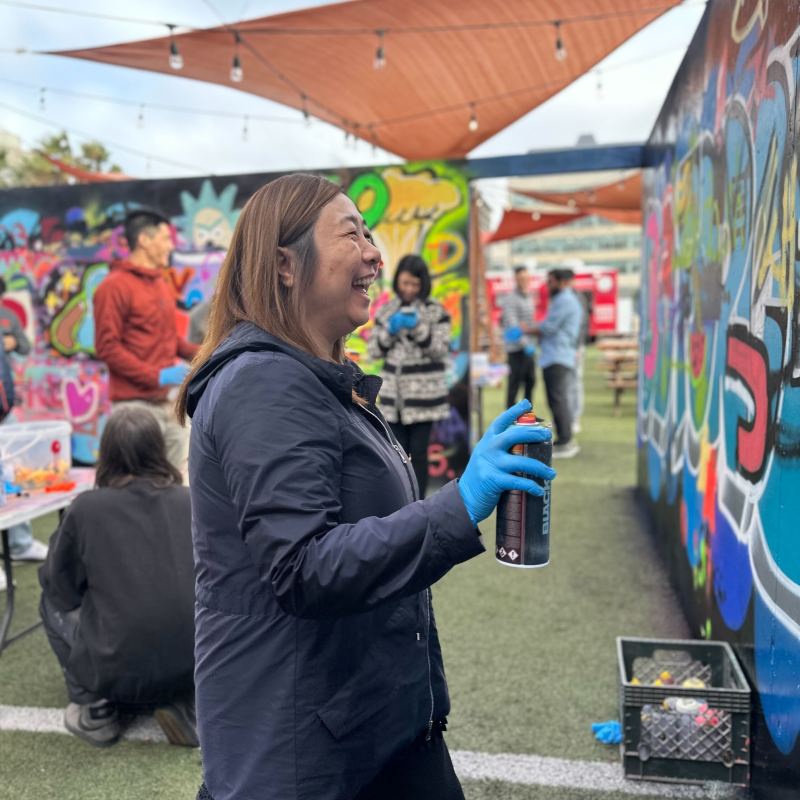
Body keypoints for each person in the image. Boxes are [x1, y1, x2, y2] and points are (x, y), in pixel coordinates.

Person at [175, 173, 555, 800]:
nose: (375, 253)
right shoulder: (263, 385)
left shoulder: (319, 377)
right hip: (302, 752)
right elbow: (304, 566)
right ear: (284, 266)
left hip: (369, 723)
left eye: (370, 233)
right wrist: (460, 503)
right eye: (352, 235)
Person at [38, 405, 196, 748]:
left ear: (105, 452)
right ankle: (181, 698)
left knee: (48, 599)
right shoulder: (188, 501)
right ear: (157, 448)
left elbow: (59, 587)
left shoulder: (86, 508)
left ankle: (96, 708)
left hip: (117, 663)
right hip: (195, 661)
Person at [94, 209, 199, 476]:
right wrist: (157, 376)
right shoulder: (113, 286)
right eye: (165, 238)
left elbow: (170, 338)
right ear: (144, 239)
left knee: (180, 484)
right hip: (134, 408)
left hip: (167, 405)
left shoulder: (160, 284)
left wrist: (209, 353)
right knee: (141, 486)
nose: (171, 245)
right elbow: (107, 347)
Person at [368, 254, 450, 497]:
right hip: (394, 400)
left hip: (425, 400)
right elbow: (374, 350)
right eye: (404, 283)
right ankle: (402, 503)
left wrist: (418, 328)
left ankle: (419, 504)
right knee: (397, 455)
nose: (409, 289)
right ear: (397, 282)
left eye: (414, 284)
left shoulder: (436, 312)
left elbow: (440, 349)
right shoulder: (386, 311)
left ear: (423, 284)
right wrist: (390, 332)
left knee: (419, 454)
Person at [0, 277, 48, 574]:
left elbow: (26, 345)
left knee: (14, 479)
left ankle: (20, 542)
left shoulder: (7, 316)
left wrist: (14, 341)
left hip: (7, 414)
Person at [532, 268, 583, 459]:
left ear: (562, 282)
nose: (548, 286)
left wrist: (526, 329)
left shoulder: (565, 300)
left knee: (558, 399)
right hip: (558, 355)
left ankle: (565, 441)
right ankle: (564, 438)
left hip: (557, 356)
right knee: (558, 399)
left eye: (551, 282)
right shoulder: (565, 299)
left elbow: (548, 327)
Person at [500, 265, 537, 408]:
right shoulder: (511, 299)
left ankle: (527, 417)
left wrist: (530, 340)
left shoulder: (529, 297)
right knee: (514, 385)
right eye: (522, 278)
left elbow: (528, 323)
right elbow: (513, 325)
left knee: (530, 382)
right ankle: (509, 420)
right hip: (516, 349)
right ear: (516, 279)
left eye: (527, 278)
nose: (525, 281)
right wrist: (526, 342)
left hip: (529, 347)